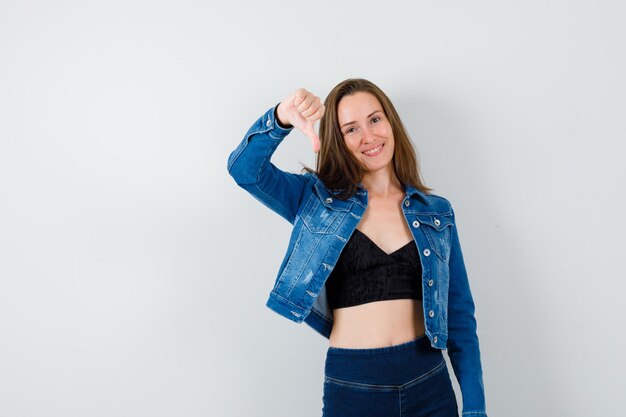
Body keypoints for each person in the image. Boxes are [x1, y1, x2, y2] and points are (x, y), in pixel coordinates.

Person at [226, 78, 488, 417]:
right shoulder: (316, 200)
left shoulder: (435, 212)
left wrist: (475, 410)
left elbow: (460, 319)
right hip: (354, 386)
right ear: (339, 140)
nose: (369, 137)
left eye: (375, 119)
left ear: (391, 122)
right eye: (351, 129)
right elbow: (245, 171)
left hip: (428, 382)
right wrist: (281, 117)